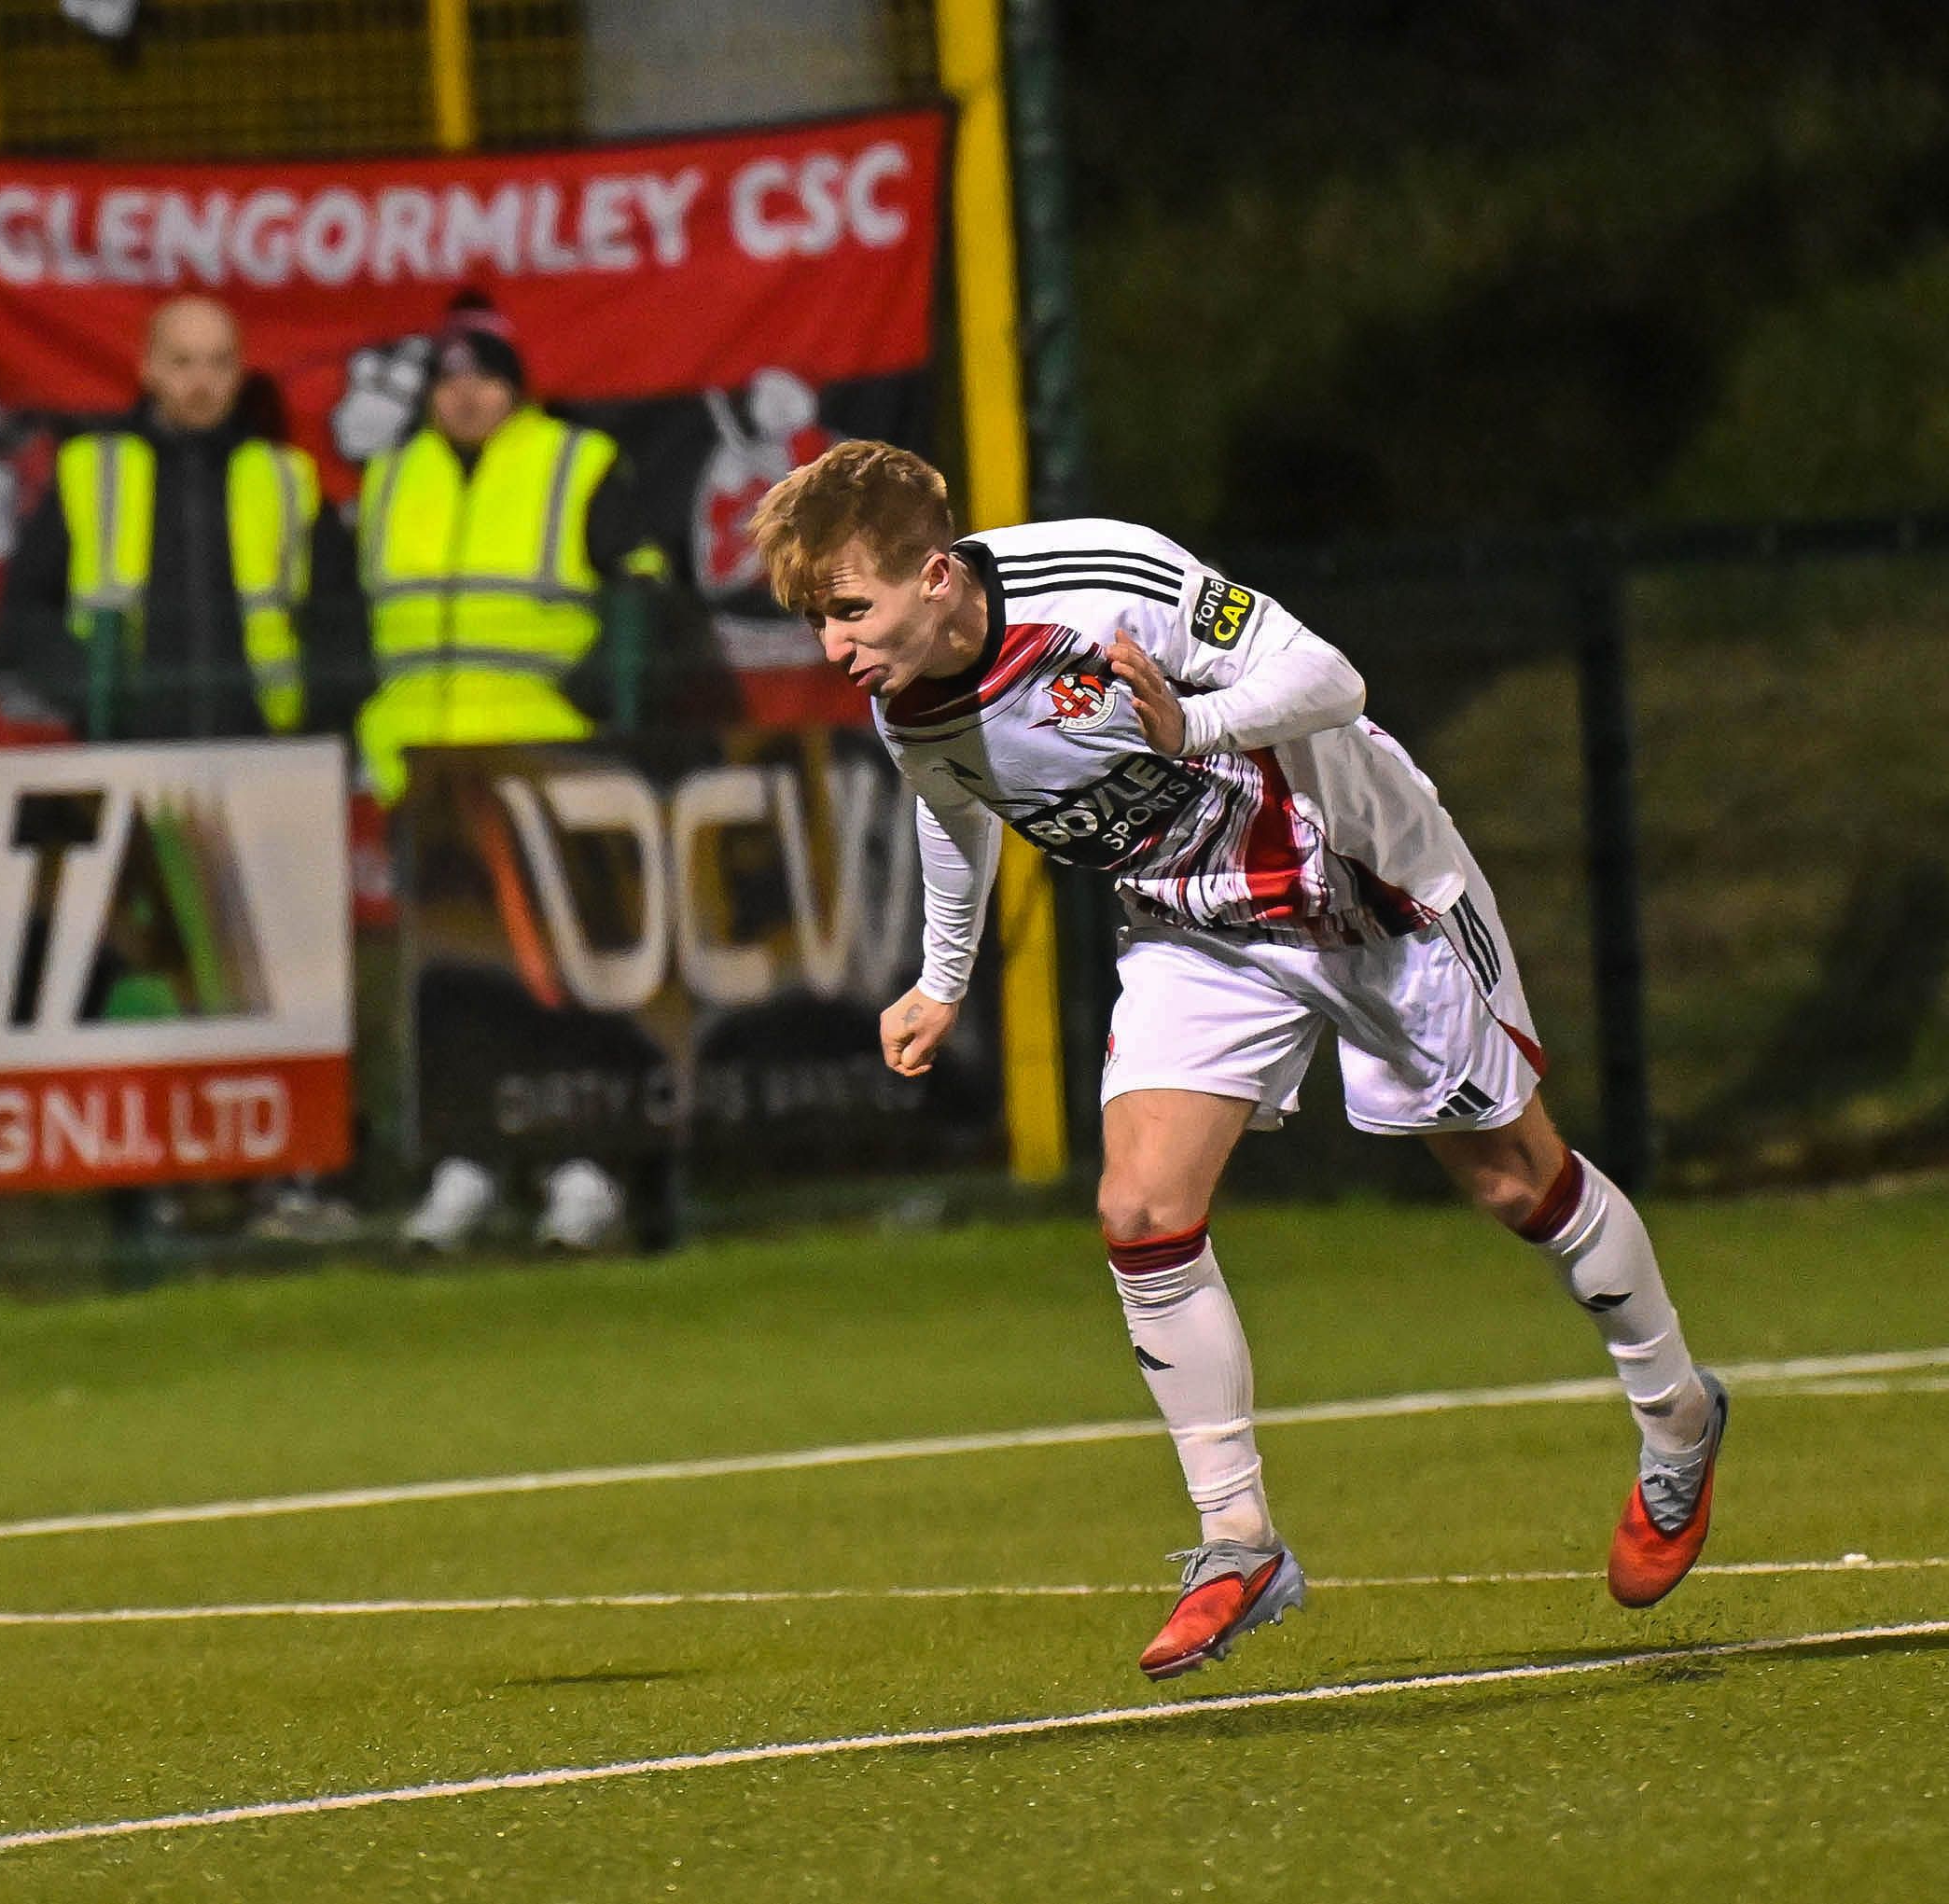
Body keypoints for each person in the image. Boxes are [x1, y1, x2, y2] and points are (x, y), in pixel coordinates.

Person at [746, 438, 1727, 1679]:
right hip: (1195, 923)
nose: (833, 645)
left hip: (1362, 885)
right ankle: (1238, 1538)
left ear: (936, 575)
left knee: (1513, 1182)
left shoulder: (1107, 578)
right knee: (1141, 1207)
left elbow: (1332, 677)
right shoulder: (906, 701)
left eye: (849, 610)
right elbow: (958, 811)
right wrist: (942, 979)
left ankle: (1679, 1416)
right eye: (816, 618)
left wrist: (1193, 717)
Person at [360, 295, 693, 1252]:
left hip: (546, 763)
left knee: (562, 979)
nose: (466, 395)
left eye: (485, 377)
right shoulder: (390, 478)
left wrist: (594, 713)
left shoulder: (574, 464)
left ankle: (578, 1168)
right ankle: (464, 1169)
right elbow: (350, 616)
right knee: (451, 989)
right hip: (424, 770)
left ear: (515, 386)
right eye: (450, 378)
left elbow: (641, 600)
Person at [0, 294, 358, 743]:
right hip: (126, 752)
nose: (202, 382)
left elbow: (342, 620)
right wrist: (86, 689)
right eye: (182, 362)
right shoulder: (91, 469)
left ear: (240, 372)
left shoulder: (284, 477)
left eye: (219, 363)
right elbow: (25, 613)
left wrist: (313, 720)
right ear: (148, 368)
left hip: (261, 750)